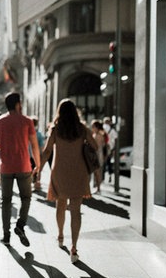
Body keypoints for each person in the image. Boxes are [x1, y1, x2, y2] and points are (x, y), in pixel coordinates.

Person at [39, 99, 97, 263]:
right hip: (79, 172)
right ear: (75, 112)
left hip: (60, 172)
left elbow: (47, 151)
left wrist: (39, 170)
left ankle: (60, 235)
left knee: (61, 205)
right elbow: (95, 147)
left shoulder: (56, 129)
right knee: (76, 211)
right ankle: (74, 247)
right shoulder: (82, 129)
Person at [0, 92, 40, 247]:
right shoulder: (27, 121)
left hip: (6, 168)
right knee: (26, 198)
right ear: (18, 104)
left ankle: (6, 235)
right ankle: (20, 225)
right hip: (24, 166)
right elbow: (34, 145)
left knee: (6, 202)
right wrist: (38, 164)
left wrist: (0, 145)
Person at [90, 120, 107, 194]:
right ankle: (97, 187)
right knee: (97, 172)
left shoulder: (98, 135)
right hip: (98, 154)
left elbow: (97, 146)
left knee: (97, 172)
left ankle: (98, 188)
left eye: (93, 126)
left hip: (97, 155)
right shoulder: (98, 134)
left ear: (97, 127)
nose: (92, 128)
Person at [103, 117, 118, 181]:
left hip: (102, 147)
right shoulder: (112, 130)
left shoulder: (102, 128)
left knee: (102, 162)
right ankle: (110, 175)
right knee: (109, 162)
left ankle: (102, 177)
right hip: (110, 147)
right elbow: (116, 137)